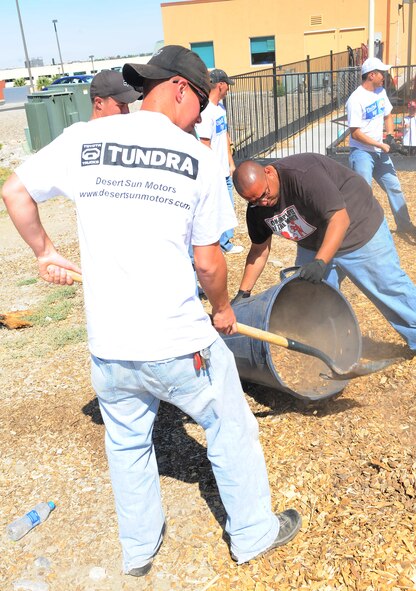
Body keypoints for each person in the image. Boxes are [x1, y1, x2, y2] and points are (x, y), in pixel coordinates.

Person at [2, 45, 301, 577]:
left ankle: (139, 548)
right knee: (229, 424)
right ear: (181, 89)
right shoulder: (198, 161)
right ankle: (253, 532)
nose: (204, 115)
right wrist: (224, 308)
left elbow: (15, 191)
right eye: (202, 102)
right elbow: (208, 263)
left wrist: (44, 252)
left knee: (127, 443)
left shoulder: (86, 139)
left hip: (110, 348)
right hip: (178, 342)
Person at [232, 154, 416, 352]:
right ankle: (334, 345)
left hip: (358, 228)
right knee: (311, 297)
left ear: (268, 172)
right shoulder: (256, 208)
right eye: (253, 200)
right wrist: (244, 293)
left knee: (387, 287)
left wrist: (320, 262)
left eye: (264, 194)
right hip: (314, 241)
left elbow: (339, 219)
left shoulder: (302, 174)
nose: (263, 203)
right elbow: (259, 250)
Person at [346, 57, 416, 235]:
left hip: (379, 152)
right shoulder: (356, 99)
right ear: (371, 75)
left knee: (394, 187)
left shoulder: (381, 92)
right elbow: (355, 133)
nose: (384, 77)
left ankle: (404, 225)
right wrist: (380, 144)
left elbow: (388, 115)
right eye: (381, 73)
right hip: (361, 153)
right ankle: (362, 232)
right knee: (364, 193)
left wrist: (390, 137)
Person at [195, 68, 243, 254]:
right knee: (219, 208)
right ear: (220, 85)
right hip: (215, 171)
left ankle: (225, 241)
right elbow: (204, 144)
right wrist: (212, 171)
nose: (228, 90)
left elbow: (224, 135)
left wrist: (230, 161)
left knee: (227, 207)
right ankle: (223, 244)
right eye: (227, 86)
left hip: (224, 169)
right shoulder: (206, 112)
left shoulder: (220, 109)